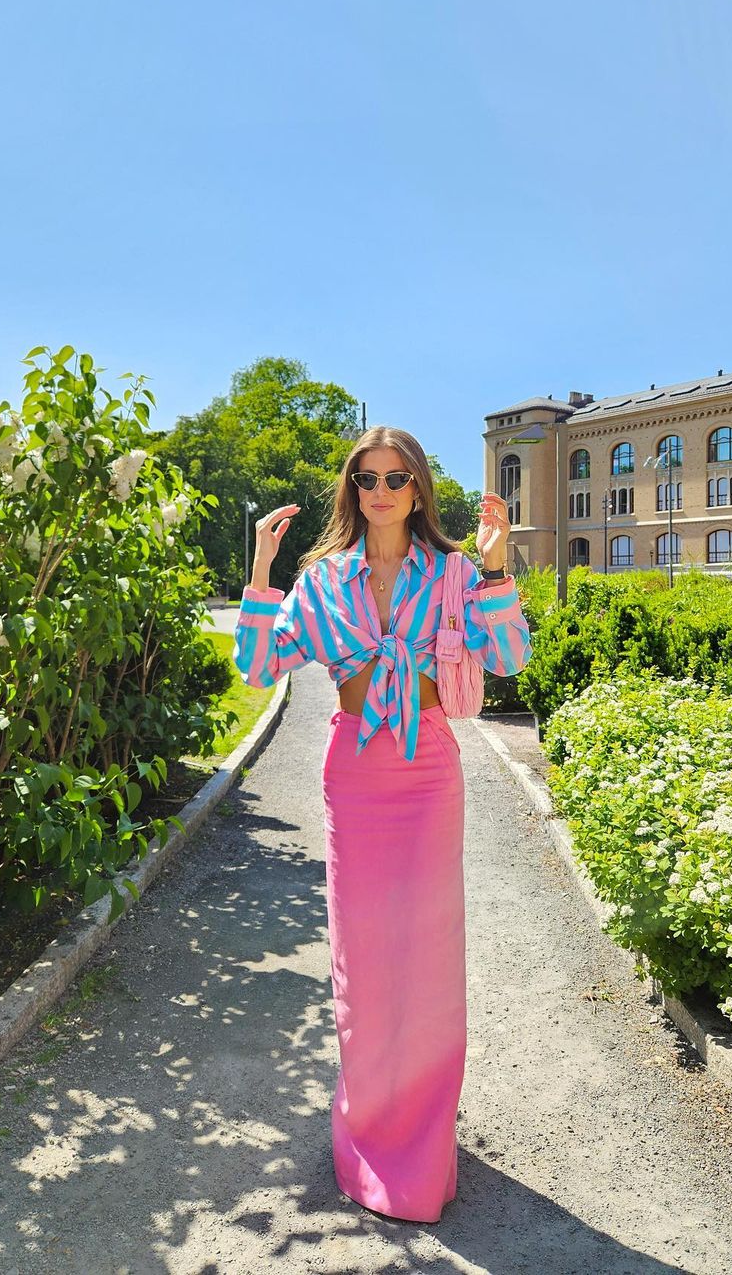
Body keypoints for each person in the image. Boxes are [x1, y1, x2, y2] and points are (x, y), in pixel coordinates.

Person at [232, 425, 532, 1222]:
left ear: (419, 489)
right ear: (352, 490)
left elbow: (509, 657)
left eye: (397, 478)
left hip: (429, 767)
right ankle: (369, 1132)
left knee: (428, 961)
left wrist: (498, 564)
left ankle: (425, 1145)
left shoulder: (457, 571)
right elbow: (261, 668)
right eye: (367, 479)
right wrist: (261, 572)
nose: (383, 492)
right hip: (356, 773)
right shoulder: (323, 579)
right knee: (364, 959)